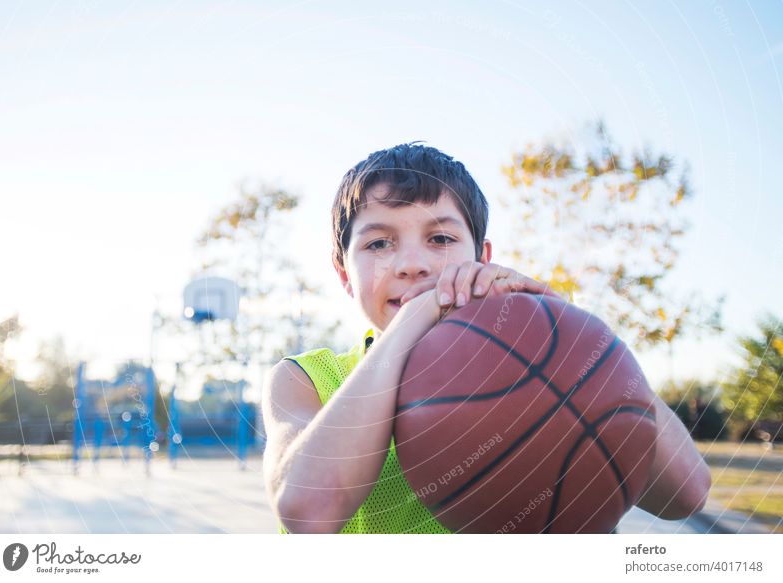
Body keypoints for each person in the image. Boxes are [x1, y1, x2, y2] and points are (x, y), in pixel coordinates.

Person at [261, 143, 711, 534]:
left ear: (482, 256)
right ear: (344, 274)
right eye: (378, 244)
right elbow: (308, 512)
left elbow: (687, 493)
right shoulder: (306, 379)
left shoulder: (545, 359)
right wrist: (414, 319)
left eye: (440, 237)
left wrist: (583, 343)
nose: (412, 264)